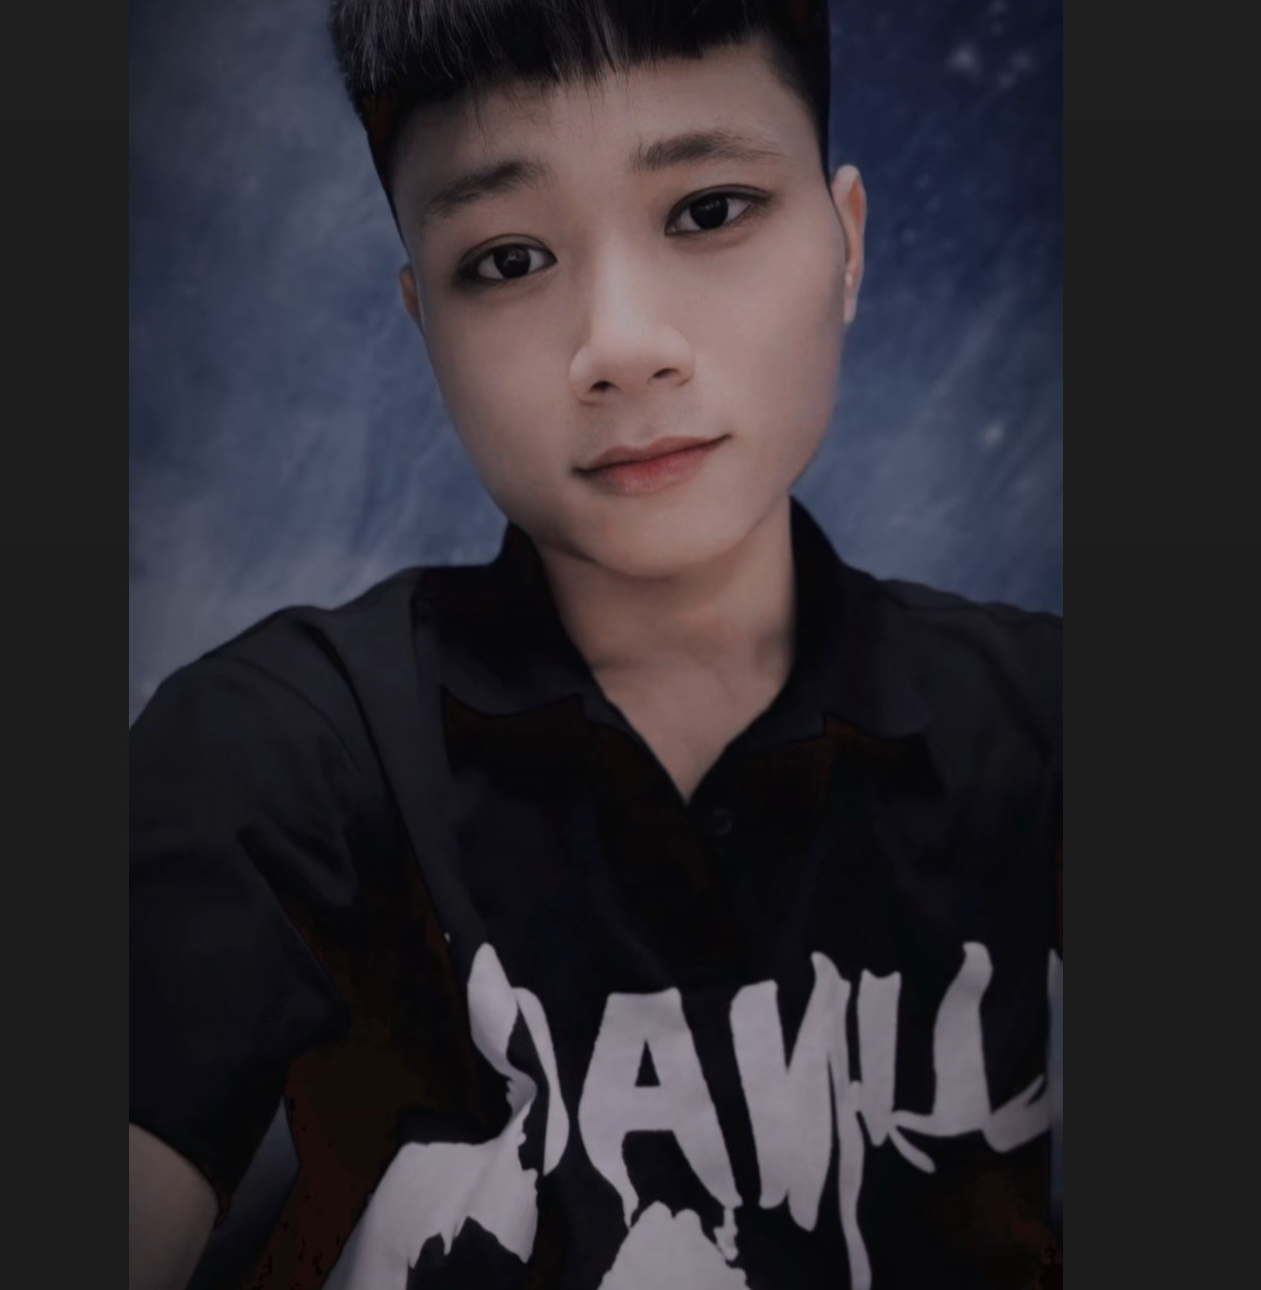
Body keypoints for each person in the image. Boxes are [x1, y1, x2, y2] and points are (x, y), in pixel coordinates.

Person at [130, 2, 1062, 1287]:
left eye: (709, 211)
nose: (620, 348)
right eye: (507, 259)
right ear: (423, 320)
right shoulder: (275, 755)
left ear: (846, 243)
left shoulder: (1053, 736)